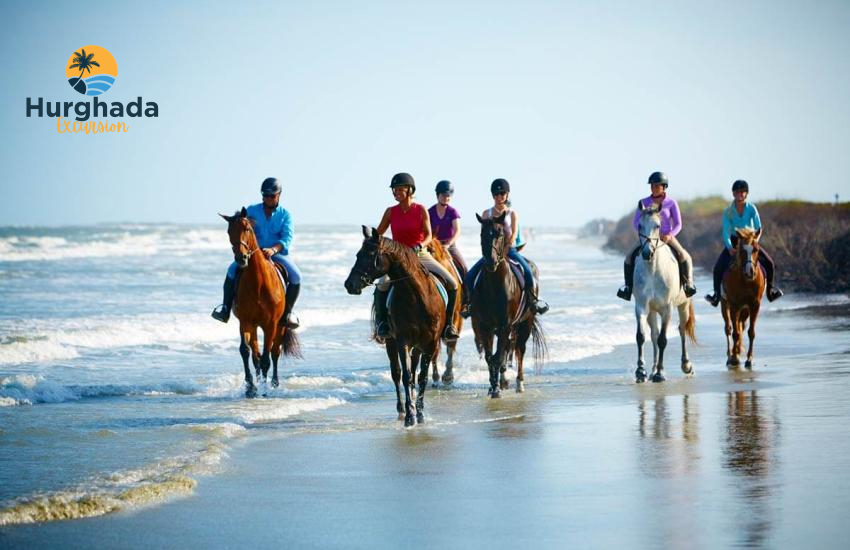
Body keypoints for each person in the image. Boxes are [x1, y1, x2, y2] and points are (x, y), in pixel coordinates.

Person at [373, 172, 460, 341]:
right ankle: (382, 323)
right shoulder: (390, 212)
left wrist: (420, 245)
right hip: (398, 259)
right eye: (394, 189)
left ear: (410, 190)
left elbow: (428, 235)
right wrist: (371, 238)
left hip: (420, 255)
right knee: (382, 285)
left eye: (400, 189)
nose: (396, 192)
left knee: (452, 283)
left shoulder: (420, 210)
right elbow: (379, 234)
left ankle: (448, 326)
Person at [211, 177, 302, 328]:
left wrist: (273, 249)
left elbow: (287, 238)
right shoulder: (252, 210)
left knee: (296, 276)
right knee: (231, 271)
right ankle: (225, 309)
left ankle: (287, 313)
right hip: (252, 254)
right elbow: (240, 225)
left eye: (271, 195)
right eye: (265, 195)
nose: (268, 198)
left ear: (279, 195)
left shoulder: (285, 215)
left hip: (276, 254)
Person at [462, 178, 549, 316]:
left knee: (528, 272)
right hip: (492, 253)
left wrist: (508, 246)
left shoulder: (512, 214)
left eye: (502, 194)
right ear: (493, 196)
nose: (499, 197)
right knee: (469, 276)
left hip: (509, 251)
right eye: (496, 194)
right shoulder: (486, 214)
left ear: (507, 195)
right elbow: (484, 236)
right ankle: (469, 304)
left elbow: (514, 234)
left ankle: (533, 301)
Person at [617, 172, 697, 301]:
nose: (653, 187)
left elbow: (678, 224)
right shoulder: (643, 202)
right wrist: (643, 234)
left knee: (684, 255)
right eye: (652, 185)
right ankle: (628, 288)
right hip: (647, 238)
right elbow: (635, 222)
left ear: (664, 187)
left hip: (666, 237)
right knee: (628, 257)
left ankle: (688, 284)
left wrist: (670, 235)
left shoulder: (671, 203)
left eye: (656, 185)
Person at [705, 180, 784, 306]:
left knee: (769, 263)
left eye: (742, 192)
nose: (740, 194)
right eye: (737, 192)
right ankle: (716, 296)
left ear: (746, 194)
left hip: (751, 241)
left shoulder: (752, 208)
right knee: (718, 268)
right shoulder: (728, 212)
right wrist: (730, 248)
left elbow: (758, 227)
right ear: (733, 194)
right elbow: (725, 232)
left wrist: (754, 242)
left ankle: (770, 292)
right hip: (735, 242)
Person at [428, 180, 468, 281]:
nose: (447, 198)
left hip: (450, 246)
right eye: (444, 195)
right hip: (433, 247)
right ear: (437, 195)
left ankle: (467, 289)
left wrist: (448, 244)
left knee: (464, 268)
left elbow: (457, 231)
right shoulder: (430, 212)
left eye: (448, 195)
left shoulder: (453, 212)